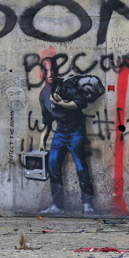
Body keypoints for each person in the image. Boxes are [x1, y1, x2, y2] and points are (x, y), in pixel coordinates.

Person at [38, 57, 95, 215]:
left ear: (57, 70)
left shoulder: (67, 85)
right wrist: (42, 140)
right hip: (60, 132)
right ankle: (58, 206)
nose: (50, 74)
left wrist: (61, 102)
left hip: (75, 129)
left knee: (80, 166)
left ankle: (88, 205)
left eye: (53, 70)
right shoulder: (43, 94)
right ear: (41, 72)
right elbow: (47, 121)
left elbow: (80, 104)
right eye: (46, 71)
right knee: (53, 165)